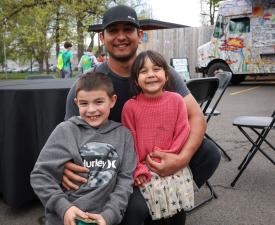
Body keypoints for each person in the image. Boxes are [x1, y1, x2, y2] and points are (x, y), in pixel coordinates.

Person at [63, 4, 221, 225]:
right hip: (117, 164)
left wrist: (179, 160)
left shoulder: (162, 73)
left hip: (161, 152)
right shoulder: (89, 83)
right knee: (135, 208)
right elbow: (68, 135)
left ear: (140, 34)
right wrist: (65, 163)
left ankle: (172, 195)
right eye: (113, 30)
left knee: (209, 152)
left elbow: (197, 118)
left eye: (128, 29)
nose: (121, 37)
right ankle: (147, 205)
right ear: (102, 37)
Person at [30, 72, 136, 225]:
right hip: (65, 217)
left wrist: (110, 215)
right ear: (76, 103)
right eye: (84, 103)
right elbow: (40, 175)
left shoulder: (124, 136)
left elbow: (125, 181)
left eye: (99, 102)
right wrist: (64, 208)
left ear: (112, 101)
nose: (91, 110)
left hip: (104, 218)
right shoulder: (65, 131)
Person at [122, 50, 194, 224]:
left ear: (166, 75)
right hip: (145, 169)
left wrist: (172, 157)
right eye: (143, 71)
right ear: (135, 80)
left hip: (172, 163)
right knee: (153, 212)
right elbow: (128, 142)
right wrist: (138, 167)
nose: (151, 75)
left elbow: (183, 131)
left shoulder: (177, 100)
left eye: (156, 69)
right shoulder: (130, 107)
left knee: (178, 209)